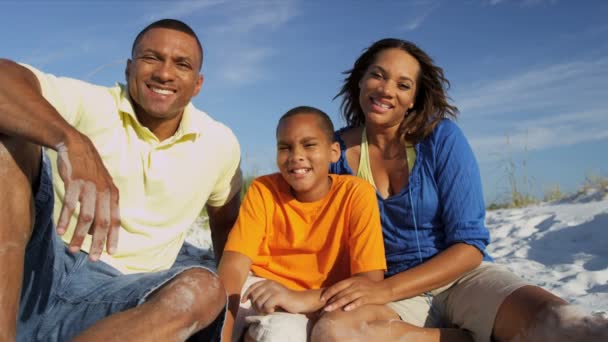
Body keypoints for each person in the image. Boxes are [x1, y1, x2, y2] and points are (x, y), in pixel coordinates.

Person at [315, 38, 608, 341]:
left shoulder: (441, 137)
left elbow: (469, 246)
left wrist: (384, 289)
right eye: (378, 74)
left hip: (461, 279)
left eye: (403, 85)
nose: (387, 89)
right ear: (360, 79)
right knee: (332, 332)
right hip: (390, 298)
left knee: (572, 326)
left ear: (414, 98)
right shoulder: (331, 153)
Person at [0, 19, 242, 341]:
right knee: (9, 143)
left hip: (120, 299)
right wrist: (71, 140)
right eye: (151, 57)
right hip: (38, 268)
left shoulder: (220, 144)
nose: (164, 73)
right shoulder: (93, 102)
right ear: (130, 68)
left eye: (181, 64)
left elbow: (227, 226)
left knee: (205, 289)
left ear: (197, 84)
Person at [218, 106, 387, 342]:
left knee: (278, 334)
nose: (296, 155)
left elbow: (370, 282)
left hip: (321, 299)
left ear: (334, 152)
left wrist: (299, 299)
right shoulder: (263, 189)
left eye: (309, 145)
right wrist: (222, 334)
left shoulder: (356, 194)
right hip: (260, 288)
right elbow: (235, 267)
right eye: (285, 147)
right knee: (207, 317)